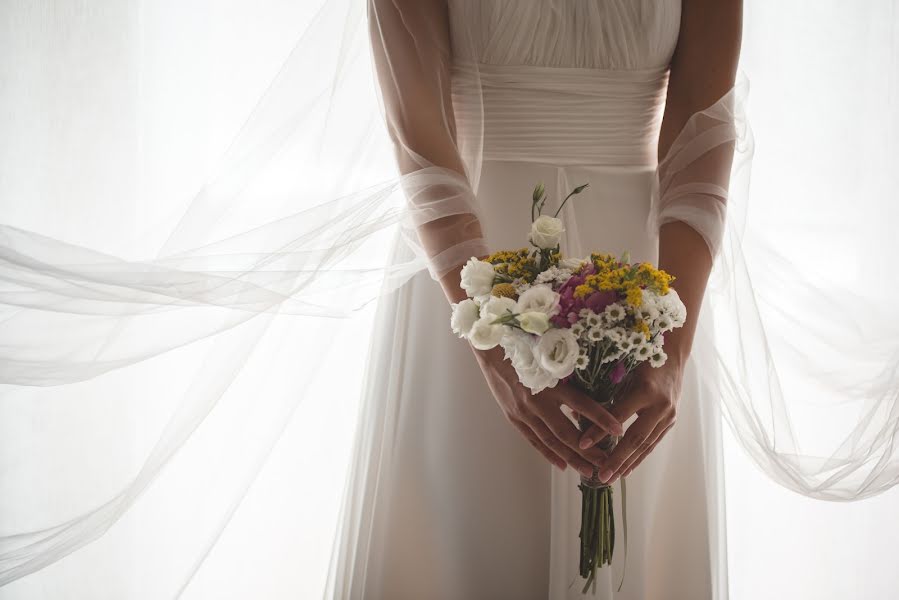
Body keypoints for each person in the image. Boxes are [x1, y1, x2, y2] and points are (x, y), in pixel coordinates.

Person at [326, 0, 742, 598]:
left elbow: (703, 133)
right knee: (467, 529)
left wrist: (671, 352)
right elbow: (418, 132)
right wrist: (493, 348)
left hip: (644, 275)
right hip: (468, 267)